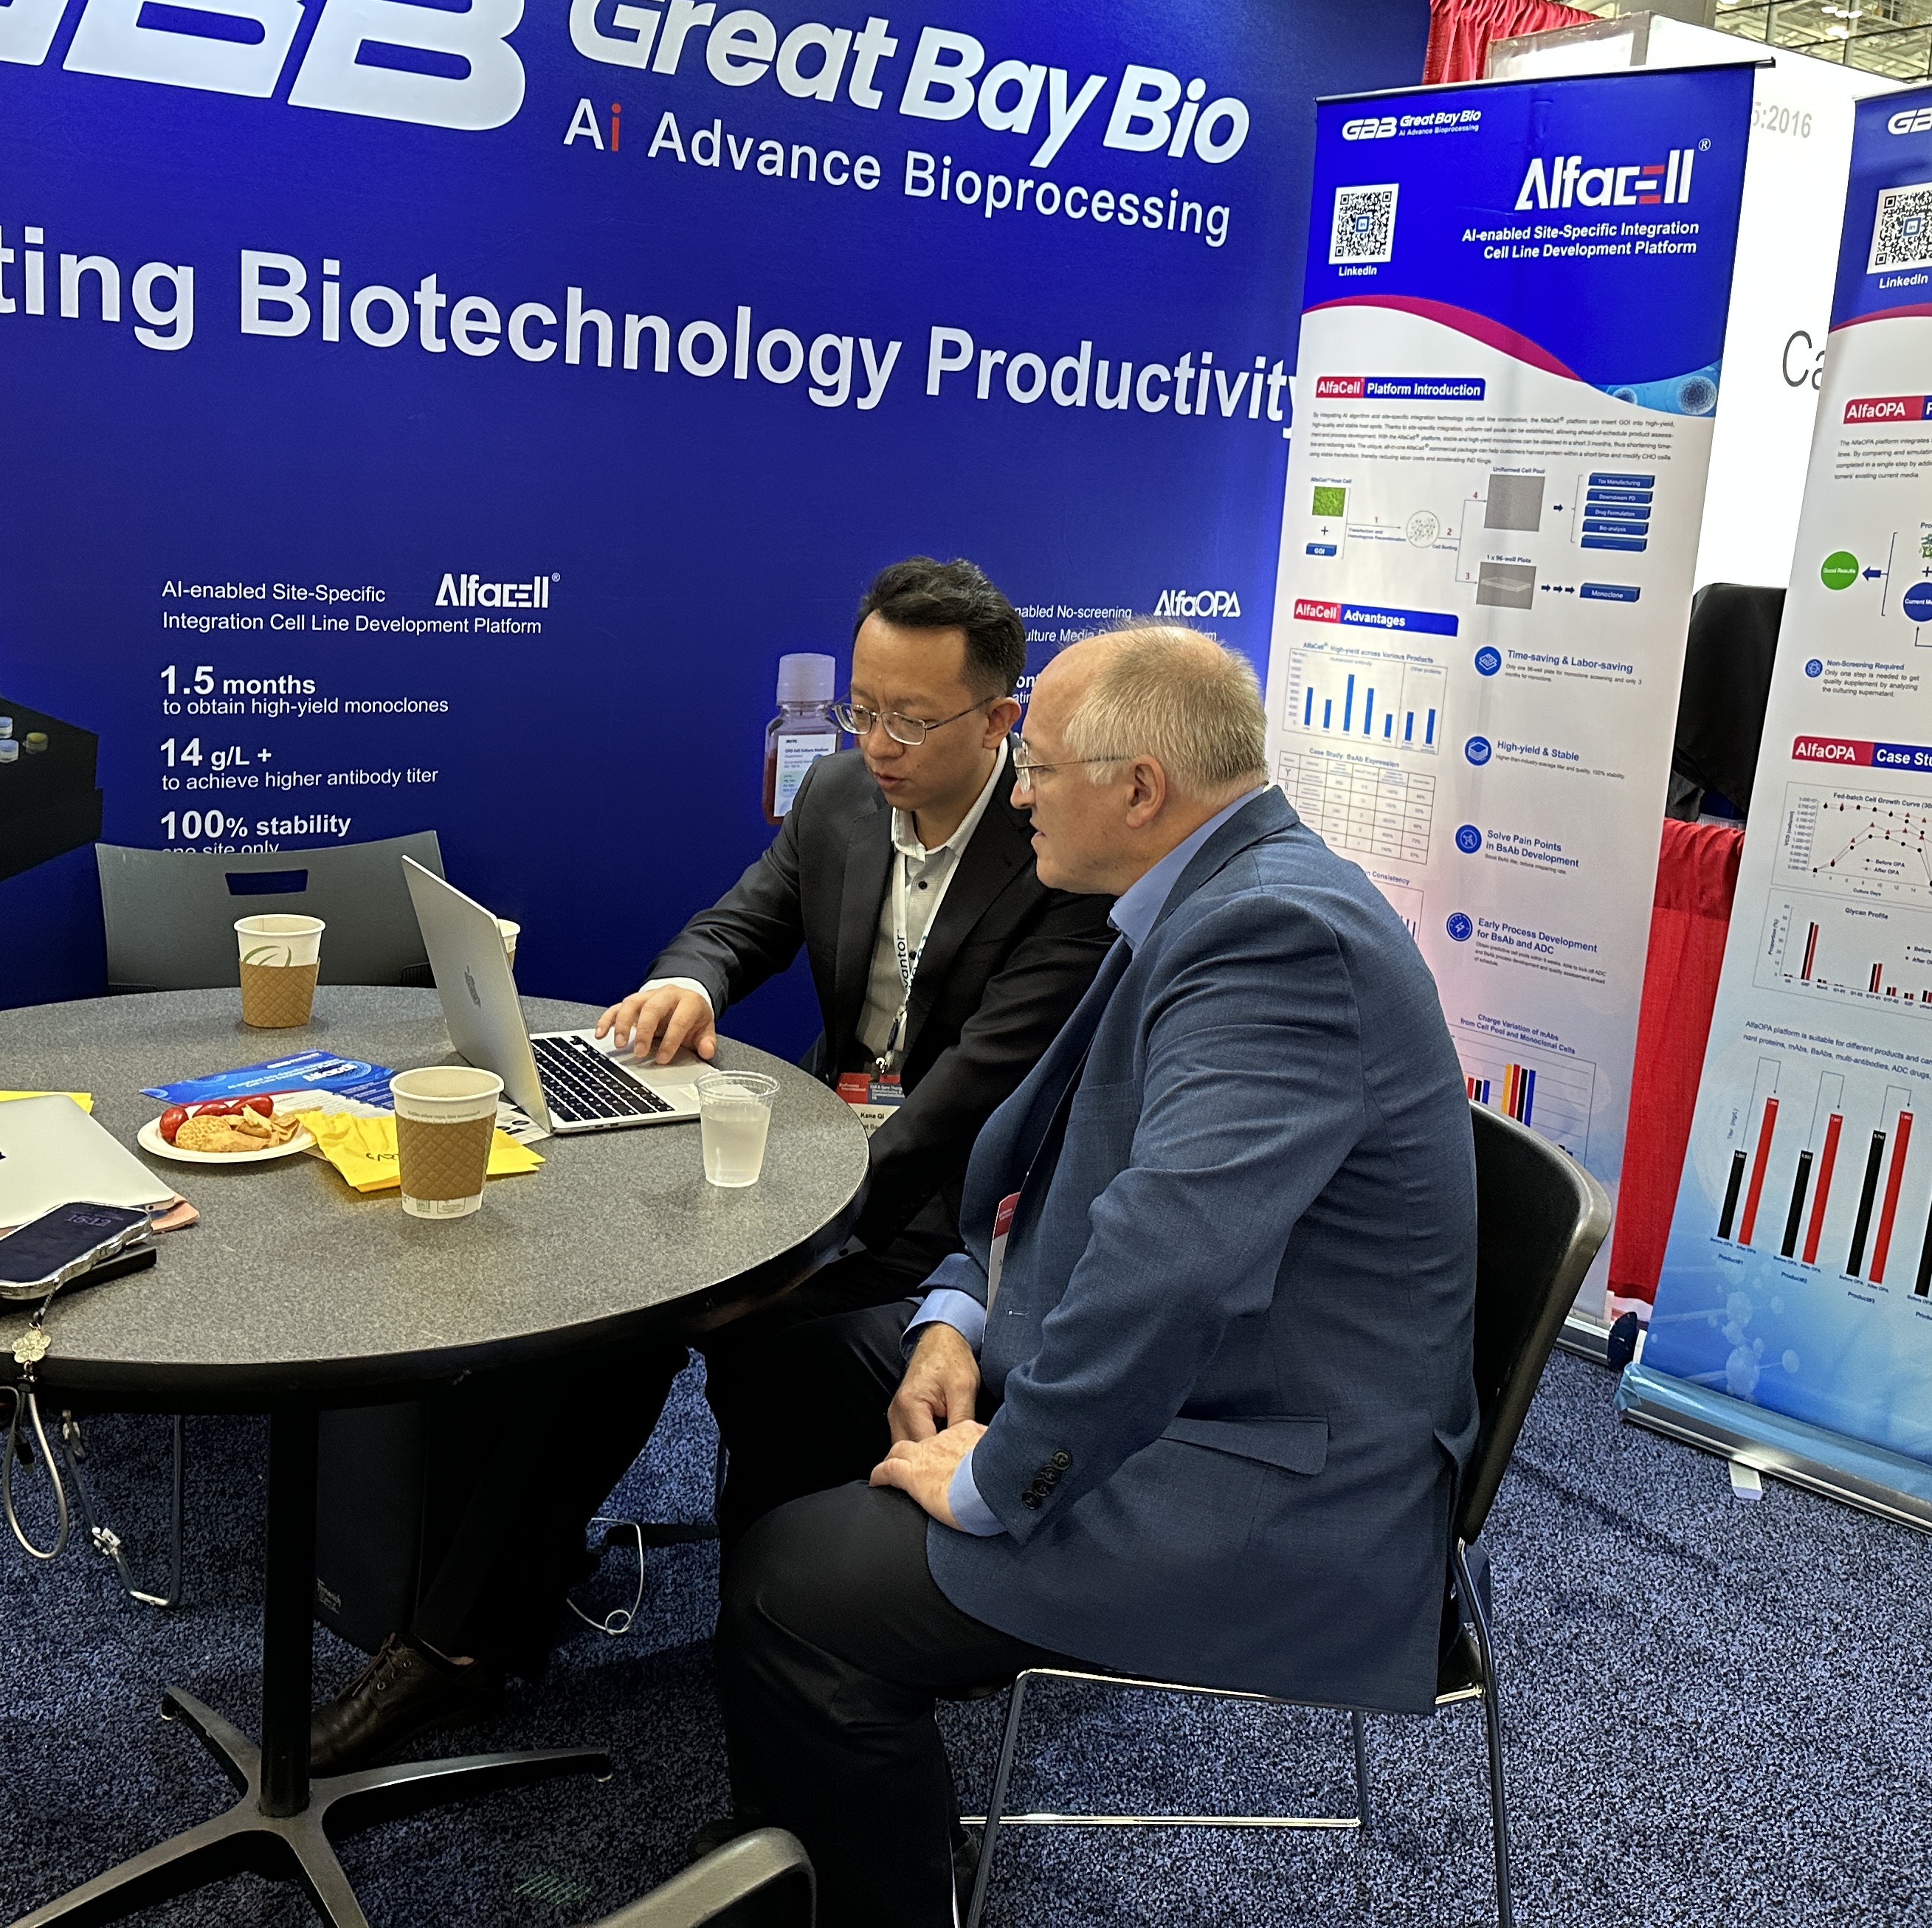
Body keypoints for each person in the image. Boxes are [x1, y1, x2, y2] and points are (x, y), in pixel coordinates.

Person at [714, 623, 1479, 1928]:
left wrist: (1003, 1480)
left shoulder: (1275, 937)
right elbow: (1050, 1163)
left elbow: (1169, 1273)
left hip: (1268, 1469)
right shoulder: (1203, 890)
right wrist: (956, 1314)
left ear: (1139, 788)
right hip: (1168, 1377)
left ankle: (868, 1863)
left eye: (1039, 768)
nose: (1015, 794)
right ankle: (821, 1782)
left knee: (795, 1587)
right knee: (791, 1364)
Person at [311, 557, 1116, 1773]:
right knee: (597, 1303)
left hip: (951, 1212)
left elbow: (969, 1101)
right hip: (818, 1157)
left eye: (911, 719)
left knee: (712, 1327)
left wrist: (787, 1239)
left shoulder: (1056, 848)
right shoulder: (840, 794)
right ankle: (465, 1636)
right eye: (861, 707)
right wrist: (692, 981)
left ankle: (734, 1651)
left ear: (1000, 718)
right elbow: (738, 923)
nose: (876, 743)